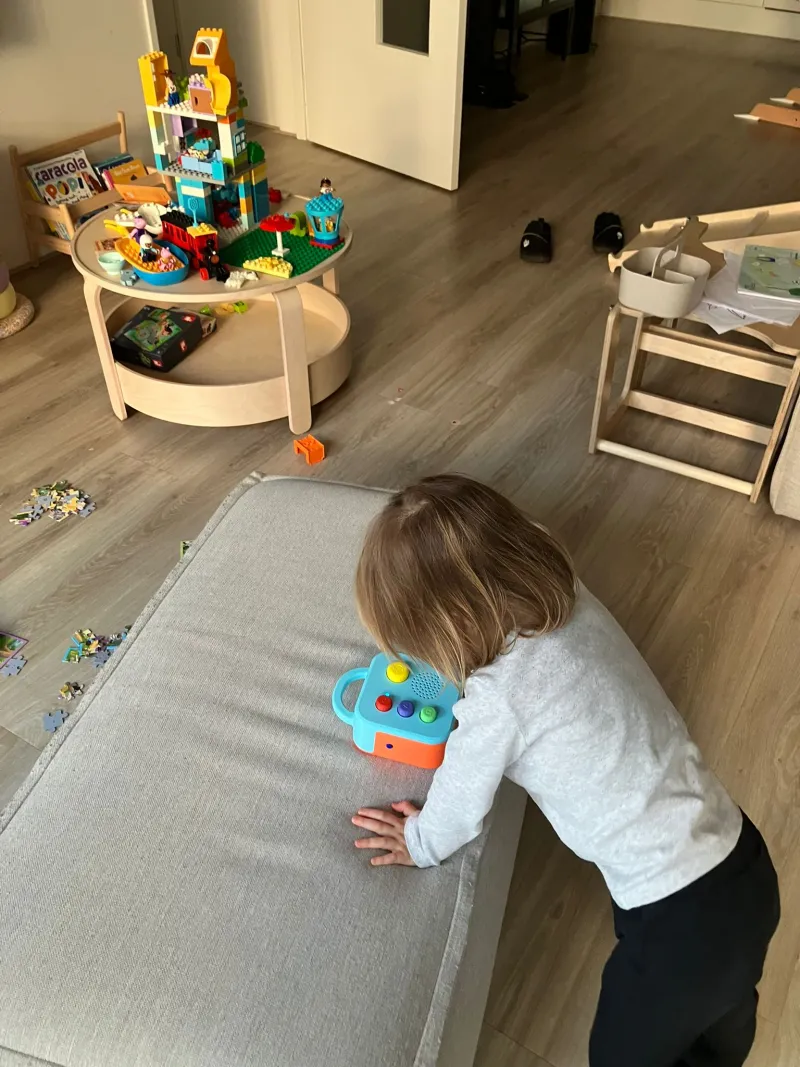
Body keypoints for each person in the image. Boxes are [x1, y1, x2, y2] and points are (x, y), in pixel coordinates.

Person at [351, 474, 780, 1067]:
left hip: (676, 918)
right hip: (741, 860)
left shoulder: (497, 700)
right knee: (725, 1010)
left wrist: (419, 841)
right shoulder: (569, 595)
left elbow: (458, 804)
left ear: (441, 631)